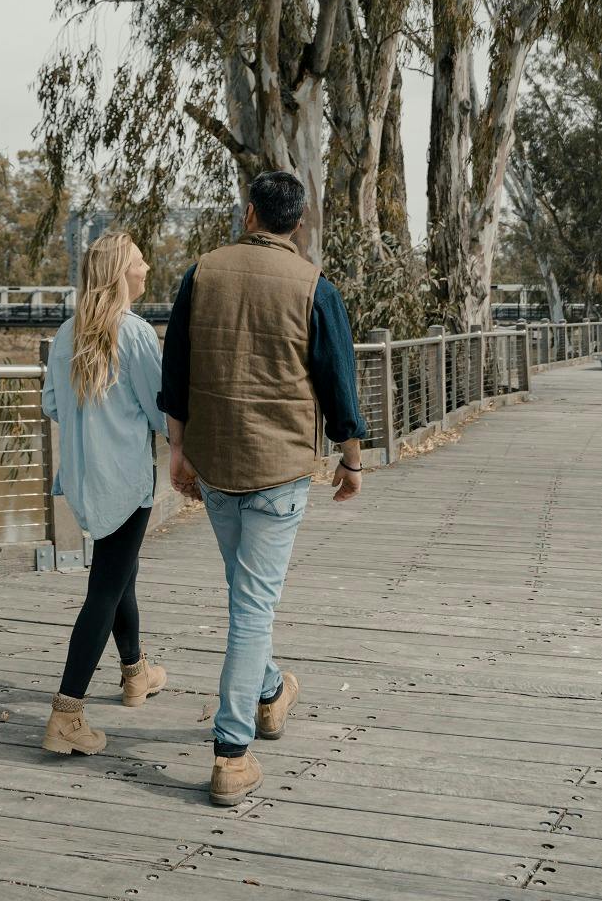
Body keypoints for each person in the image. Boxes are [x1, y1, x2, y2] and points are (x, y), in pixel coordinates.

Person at [158, 171, 367, 806]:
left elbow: (177, 367)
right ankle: (230, 750)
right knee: (252, 604)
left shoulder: (201, 274)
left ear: (249, 213)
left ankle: (271, 691)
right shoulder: (315, 287)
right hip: (279, 469)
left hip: (214, 464)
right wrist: (350, 460)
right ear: (297, 223)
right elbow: (338, 380)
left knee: (247, 595)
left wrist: (177, 449)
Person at [39, 231, 170, 755]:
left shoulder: (67, 334)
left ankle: (136, 672)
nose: (147, 269)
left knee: (120, 575)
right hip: (127, 480)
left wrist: (90, 420)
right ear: (121, 273)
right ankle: (66, 713)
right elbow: (162, 411)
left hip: (84, 480)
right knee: (106, 589)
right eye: (140, 262)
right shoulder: (136, 335)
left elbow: (52, 404)